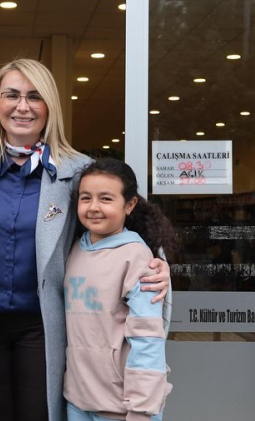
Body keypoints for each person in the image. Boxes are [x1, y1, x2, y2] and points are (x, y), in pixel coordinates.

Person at [0, 58, 172, 421]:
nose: (22, 107)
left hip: (44, 328)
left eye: (34, 97)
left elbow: (131, 220)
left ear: (50, 106)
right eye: (12, 95)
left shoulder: (77, 169)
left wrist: (158, 265)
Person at [63, 158, 176, 421]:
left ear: (130, 204)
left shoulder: (136, 257)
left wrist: (141, 409)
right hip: (78, 401)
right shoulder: (75, 249)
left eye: (105, 199)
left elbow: (148, 339)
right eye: (86, 198)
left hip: (123, 408)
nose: (94, 207)